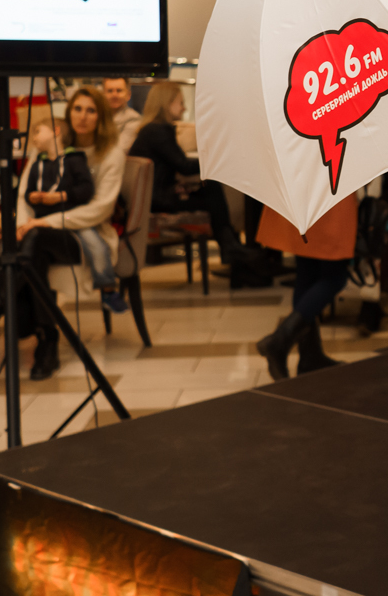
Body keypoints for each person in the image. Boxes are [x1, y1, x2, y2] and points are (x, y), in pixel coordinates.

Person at [12, 86, 125, 378]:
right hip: (41, 232)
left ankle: (9, 312)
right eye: (77, 109)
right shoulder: (51, 142)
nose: (82, 116)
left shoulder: (111, 153)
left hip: (87, 234)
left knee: (34, 243)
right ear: (68, 112)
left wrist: (44, 223)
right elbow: (25, 192)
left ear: (101, 117)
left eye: (91, 110)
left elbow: (101, 209)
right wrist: (24, 225)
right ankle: (46, 338)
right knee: (31, 246)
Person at [129, 82, 267, 286]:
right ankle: (230, 246)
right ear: (167, 103)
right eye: (180, 103)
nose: (184, 108)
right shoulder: (158, 131)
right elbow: (183, 165)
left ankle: (230, 246)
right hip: (158, 200)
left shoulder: (151, 130)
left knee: (210, 189)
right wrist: (218, 162)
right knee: (211, 190)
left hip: (154, 196)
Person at [20, 117, 124, 315]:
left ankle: (107, 287)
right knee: (28, 245)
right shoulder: (38, 163)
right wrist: (31, 196)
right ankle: (37, 320)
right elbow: (26, 191)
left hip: (73, 218)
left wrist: (63, 196)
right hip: (46, 222)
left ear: (56, 131)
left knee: (95, 245)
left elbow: (86, 191)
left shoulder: (75, 159)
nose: (33, 138)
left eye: (38, 131)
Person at [252, 197, 355, 380]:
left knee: (308, 271)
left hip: (301, 198)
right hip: (331, 199)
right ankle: (279, 341)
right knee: (334, 277)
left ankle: (309, 355)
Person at [101, 77, 141, 145]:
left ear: (128, 95)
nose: (114, 95)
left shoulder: (134, 119)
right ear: (102, 95)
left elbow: (121, 148)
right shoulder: (96, 115)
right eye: (110, 91)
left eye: (119, 90)